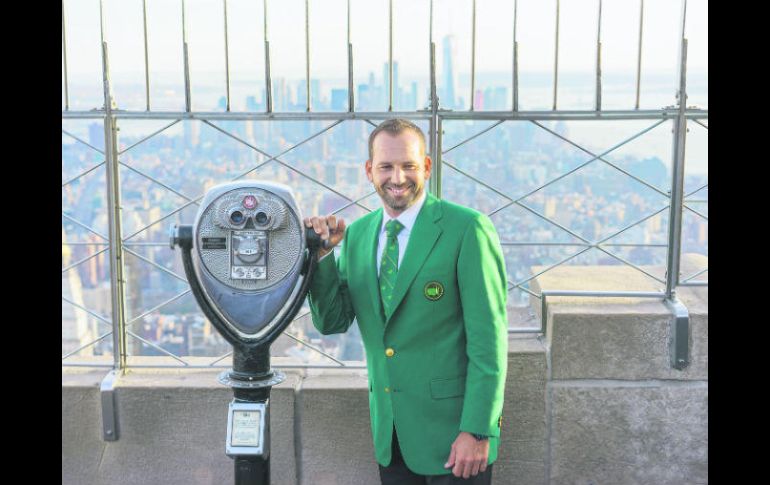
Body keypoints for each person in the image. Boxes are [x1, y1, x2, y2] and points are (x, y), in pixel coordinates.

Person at [304, 118, 508, 484]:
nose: (397, 178)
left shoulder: (467, 229)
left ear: (426, 167)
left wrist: (479, 430)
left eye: (408, 166)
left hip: (456, 437)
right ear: (369, 171)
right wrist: (322, 256)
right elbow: (331, 321)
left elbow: (489, 342)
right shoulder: (357, 235)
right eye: (386, 166)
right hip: (392, 434)